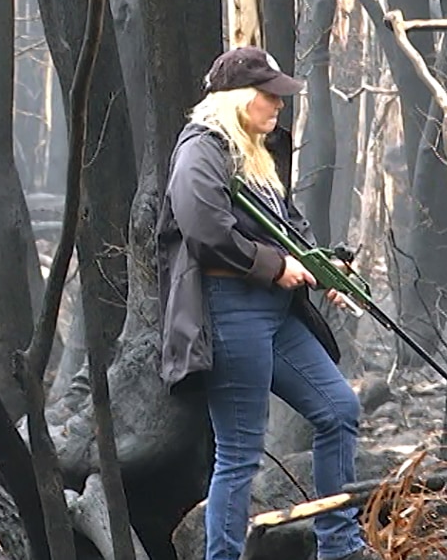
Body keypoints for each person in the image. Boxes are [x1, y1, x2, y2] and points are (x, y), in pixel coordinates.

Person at [156, 46, 380, 560]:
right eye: (269, 95)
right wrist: (275, 266)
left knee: (338, 410)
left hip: (274, 314)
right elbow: (204, 228)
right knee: (239, 453)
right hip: (229, 308)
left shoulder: (254, 151)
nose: (279, 105)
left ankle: (340, 547)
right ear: (237, 99)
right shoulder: (202, 150)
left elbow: (288, 225)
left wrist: (325, 268)